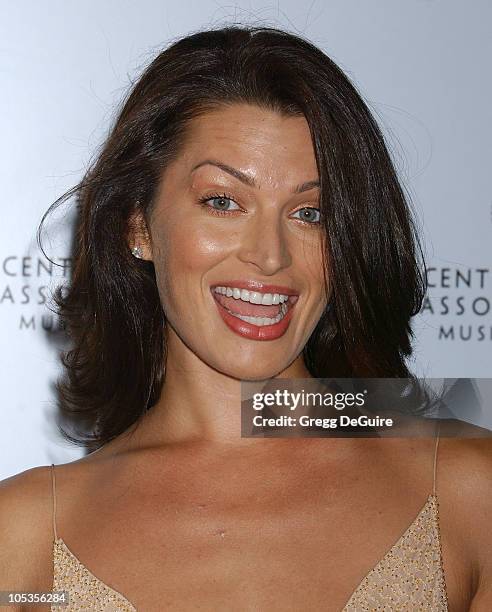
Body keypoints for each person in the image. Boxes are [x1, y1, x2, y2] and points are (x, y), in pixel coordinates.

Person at [1, 25, 491, 611]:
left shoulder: (467, 491)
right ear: (138, 226)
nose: (270, 255)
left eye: (311, 213)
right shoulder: (25, 537)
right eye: (223, 202)